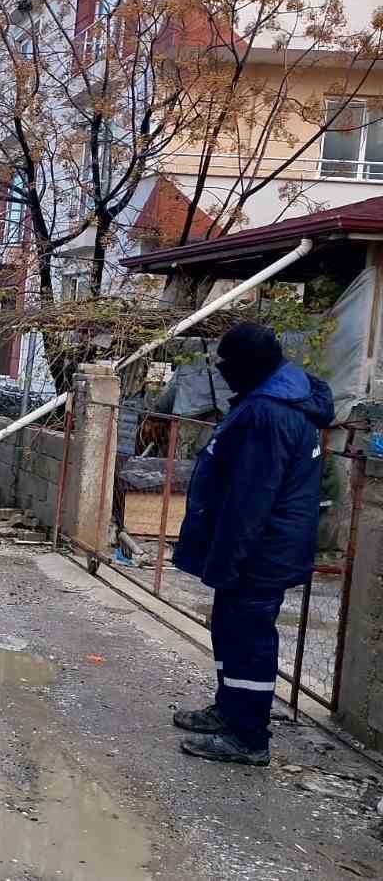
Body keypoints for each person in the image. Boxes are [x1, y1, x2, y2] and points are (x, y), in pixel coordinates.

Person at [171, 322, 333, 766]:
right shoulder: (272, 399)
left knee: (249, 638)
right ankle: (229, 710)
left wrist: (228, 559)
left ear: (248, 365)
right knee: (229, 628)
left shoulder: (270, 412)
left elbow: (251, 498)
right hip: (257, 545)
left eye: (226, 364)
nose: (221, 371)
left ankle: (248, 737)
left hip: (261, 549)